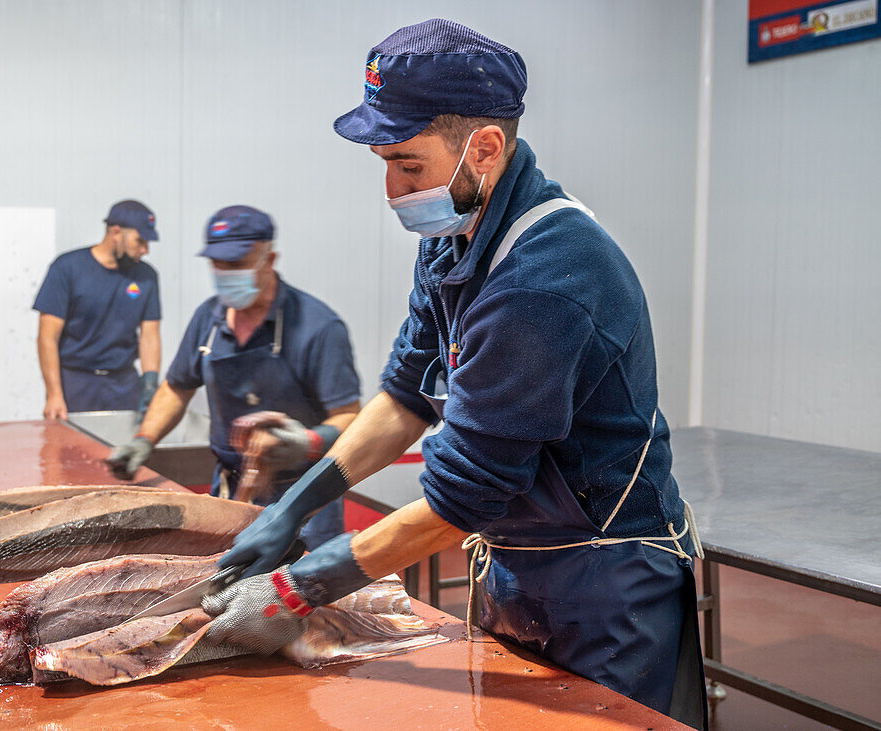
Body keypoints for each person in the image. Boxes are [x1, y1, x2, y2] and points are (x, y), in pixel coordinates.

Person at [198, 20, 707, 730]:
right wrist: (296, 503)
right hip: (517, 560)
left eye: (409, 165)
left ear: (486, 148)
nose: (391, 188)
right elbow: (407, 395)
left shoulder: (542, 278)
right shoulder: (453, 241)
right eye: (383, 164)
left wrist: (295, 588)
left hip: (604, 584)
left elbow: (461, 496)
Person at [106, 205, 361, 548]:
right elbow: (177, 388)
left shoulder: (318, 327)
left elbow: (350, 417)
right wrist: (144, 440)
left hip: (304, 496)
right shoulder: (208, 319)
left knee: (294, 593)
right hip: (231, 490)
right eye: (218, 265)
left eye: (237, 264)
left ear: (269, 259)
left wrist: (305, 442)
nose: (226, 274)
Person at [33, 199, 162, 419]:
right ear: (116, 232)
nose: (145, 250)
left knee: (123, 451)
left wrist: (150, 384)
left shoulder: (147, 277)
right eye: (139, 241)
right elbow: (47, 338)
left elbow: (149, 336)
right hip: (76, 384)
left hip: (124, 385)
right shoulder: (67, 268)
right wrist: (55, 394)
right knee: (71, 451)